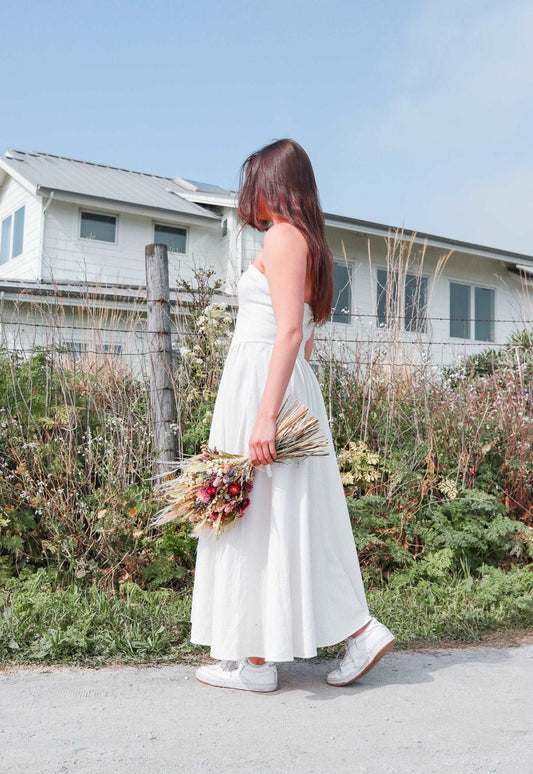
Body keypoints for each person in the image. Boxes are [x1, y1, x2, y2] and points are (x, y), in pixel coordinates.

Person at [190, 138, 396, 692]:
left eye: (254, 181)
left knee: (264, 515)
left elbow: (286, 334)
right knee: (285, 515)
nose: (247, 196)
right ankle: (284, 649)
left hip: (266, 385)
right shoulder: (306, 242)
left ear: (275, 185)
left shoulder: (284, 237)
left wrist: (264, 416)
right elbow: (302, 337)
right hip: (276, 381)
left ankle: (258, 661)